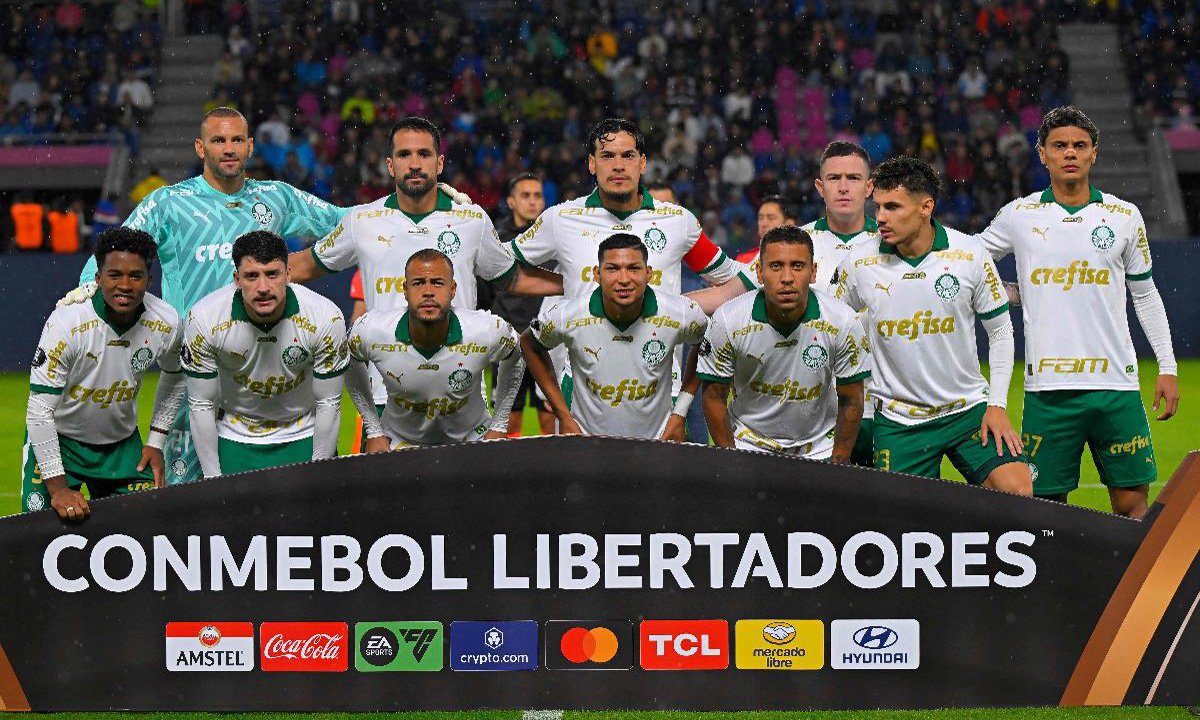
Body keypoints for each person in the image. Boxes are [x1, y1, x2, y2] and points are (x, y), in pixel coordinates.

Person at [286, 117, 562, 420]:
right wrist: (247, 266)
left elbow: (513, 278)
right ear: (390, 165)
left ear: (439, 163)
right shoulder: (362, 221)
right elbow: (304, 265)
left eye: (424, 154)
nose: (415, 164)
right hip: (387, 396)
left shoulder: (472, 220)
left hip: (461, 396)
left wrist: (573, 282)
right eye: (404, 155)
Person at [976, 106, 1179, 517]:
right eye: (1059, 145)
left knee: (1132, 505)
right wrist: (1013, 293)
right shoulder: (1019, 215)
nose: (1070, 152)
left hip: (1116, 386)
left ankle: (1131, 567)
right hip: (1047, 390)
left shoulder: (1124, 217)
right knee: (1046, 511)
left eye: (1079, 145)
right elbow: (967, 261)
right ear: (1042, 154)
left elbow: (1144, 294)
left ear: (1093, 153)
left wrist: (1168, 366)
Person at [508, 118, 742, 405]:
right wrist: (565, 283)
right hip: (582, 393)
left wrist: (680, 304)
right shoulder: (561, 219)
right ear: (591, 163)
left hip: (659, 393)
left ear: (642, 163)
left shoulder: (677, 222)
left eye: (628, 155)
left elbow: (732, 279)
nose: (618, 165)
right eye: (607, 156)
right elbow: (500, 266)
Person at [834, 156, 1031, 495]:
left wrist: (997, 405)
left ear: (926, 207)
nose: (880, 217)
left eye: (893, 207)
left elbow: (1000, 332)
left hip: (967, 411)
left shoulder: (969, 254)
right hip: (900, 421)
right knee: (903, 519)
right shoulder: (859, 262)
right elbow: (831, 327)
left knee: (1018, 492)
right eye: (877, 206)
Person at [23, 227, 185, 519]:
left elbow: (175, 376)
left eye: (135, 276)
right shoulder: (67, 322)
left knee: (145, 525)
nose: (125, 285)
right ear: (98, 279)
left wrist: (156, 441)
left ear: (149, 280)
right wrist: (58, 489)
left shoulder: (166, 321)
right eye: (114, 275)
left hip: (122, 447)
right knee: (39, 533)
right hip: (61, 443)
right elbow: (38, 411)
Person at [182, 231, 348, 478]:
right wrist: (212, 479)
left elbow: (329, 403)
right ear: (237, 279)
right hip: (235, 437)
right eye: (252, 276)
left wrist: (319, 473)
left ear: (288, 275)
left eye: (272, 274)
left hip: (305, 434)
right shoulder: (204, 319)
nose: (263, 288)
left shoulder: (325, 317)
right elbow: (201, 404)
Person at [698, 225, 869, 460]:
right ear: (759, 273)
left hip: (819, 449)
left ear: (813, 272)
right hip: (749, 445)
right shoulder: (728, 320)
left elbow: (852, 399)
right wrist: (731, 459)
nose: (787, 278)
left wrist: (838, 461)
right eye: (776, 266)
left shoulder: (843, 320)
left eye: (797, 266)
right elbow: (713, 396)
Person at [522, 233, 708, 439]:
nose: (624, 279)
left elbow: (706, 342)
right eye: (612, 269)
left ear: (649, 273)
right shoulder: (568, 314)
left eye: (633, 268)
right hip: (584, 437)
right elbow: (529, 344)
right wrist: (564, 416)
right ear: (597, 274)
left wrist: (680, 412)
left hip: (656, 439)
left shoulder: (680, 312)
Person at [346, 249, 524, 448]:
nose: (428, 291)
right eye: (418, 283)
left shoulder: (486, 330)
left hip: (472, 437)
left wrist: (499, 424)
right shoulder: (373, 330)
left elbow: (516, 353)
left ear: (453, 289)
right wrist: (373, 430)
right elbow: (348, 355)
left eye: (437, 283)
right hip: (399, 439)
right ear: (405, 290)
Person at [487, 172, 556, 436]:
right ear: (511, 202)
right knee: (508, 419)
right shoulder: (497, 241)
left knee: (548, 415)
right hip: (509, 342)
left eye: (537, 195)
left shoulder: (553, 240)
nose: (533, 201)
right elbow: (485, 291)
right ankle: (509, 464)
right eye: (525, 195)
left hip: (545, 341)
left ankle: (548, 463)